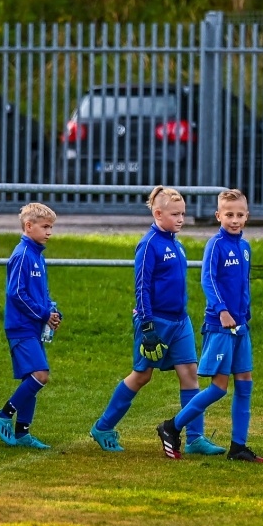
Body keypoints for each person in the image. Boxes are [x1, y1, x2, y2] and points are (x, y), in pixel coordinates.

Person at [90, 186, 203, 458]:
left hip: (180, 321)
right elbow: (141, 287)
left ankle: (195, 438)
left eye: (183, 214)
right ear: (158, 213)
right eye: (175, 214)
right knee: (142, 375)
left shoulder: (177, 243)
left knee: (190, 374)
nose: (181, 219)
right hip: (155, 322)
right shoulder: (149, 244)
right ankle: (103, 427)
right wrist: (147, 324)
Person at [156, 189, 263, 463]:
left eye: (240, 215)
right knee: (218, 387)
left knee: (245, 384)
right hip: (220, 326)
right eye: (229, 215)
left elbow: (243, 285)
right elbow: (209, 280)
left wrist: (244, 314)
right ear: (218, 216)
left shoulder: (246, 247)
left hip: (241, 328)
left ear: (247, 216)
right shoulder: (215, 245)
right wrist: (223, 311)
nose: (235, 220)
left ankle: (238, 446)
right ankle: (172, 426)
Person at [0, 203, 61, 450]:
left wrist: (52, 311)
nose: (49, 232)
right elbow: (16, 295)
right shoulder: (21, 256)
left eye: (51, 227)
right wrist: (43, 313)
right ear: (28, 226)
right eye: (45, 227)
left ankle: (22, 433)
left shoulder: (37, 256)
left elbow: (42, 293)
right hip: (21, 327)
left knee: (32, 378)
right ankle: (3, 415)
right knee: (40, 375)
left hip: (33, 326)